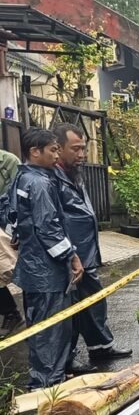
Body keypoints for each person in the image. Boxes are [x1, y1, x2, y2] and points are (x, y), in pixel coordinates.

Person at [52, 123, 133, 372]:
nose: (81, 155)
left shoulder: (74, 174)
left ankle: (101, 346)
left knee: (95, 301)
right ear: (58, 148)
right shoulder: (50, 178)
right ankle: (67, 359)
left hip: (87, 253)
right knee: (71, 310)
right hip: (69, 256)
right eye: (75, 149)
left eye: (83, 149)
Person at [10, 128, 83, 389]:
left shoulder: (22, 177)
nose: (56, 155)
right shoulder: (40, 183)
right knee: (51, 329)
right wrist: (72, 256)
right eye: (52, 150)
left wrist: (17, 235)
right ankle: (47, 383)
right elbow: (48, 227)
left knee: (40, 324)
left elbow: (9, 213)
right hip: (46, 270)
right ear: (35, 151)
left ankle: (48, 377)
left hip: (32, 266)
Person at [0, 149, 22, 337]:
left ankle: (11, 313)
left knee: (2, 270)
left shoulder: (8, 161)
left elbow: (13, 197)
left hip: (4, 222)